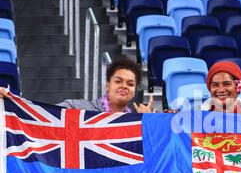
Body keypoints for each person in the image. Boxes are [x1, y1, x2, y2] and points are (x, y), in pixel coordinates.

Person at [0, 56, 155, 113]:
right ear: (108, 85)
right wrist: (13, 102)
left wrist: (149, 123)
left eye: (130, 83)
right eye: (118, 81)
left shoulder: (136, 120)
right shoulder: (76, 107)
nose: (124, 86)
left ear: (134, 91)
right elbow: (43, 114)